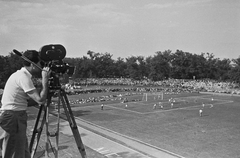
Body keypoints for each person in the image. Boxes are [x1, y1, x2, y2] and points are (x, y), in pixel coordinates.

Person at [0, 50, 51, 158]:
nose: (42, 66)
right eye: (40, 63)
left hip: (14, 116)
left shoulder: (20, 75)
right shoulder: (23, 77)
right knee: (14, 154)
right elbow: (40, 100)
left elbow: (25, 101)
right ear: (33, 64)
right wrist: (45, 80)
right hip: (13, 118)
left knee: (23, 153)